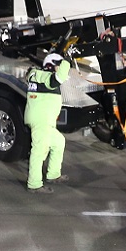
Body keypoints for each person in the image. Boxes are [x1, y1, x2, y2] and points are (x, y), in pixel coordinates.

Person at [24, 51, 72, 193]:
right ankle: (34, 184)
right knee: (38, 151)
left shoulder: (39, 75)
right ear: (51, 66)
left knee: (58, 142)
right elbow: (59, 78)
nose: (60, 68)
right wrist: (67, 61)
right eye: (58, 65)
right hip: (41, 121)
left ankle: (53, 174)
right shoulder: (46, 77)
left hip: (43, 120)